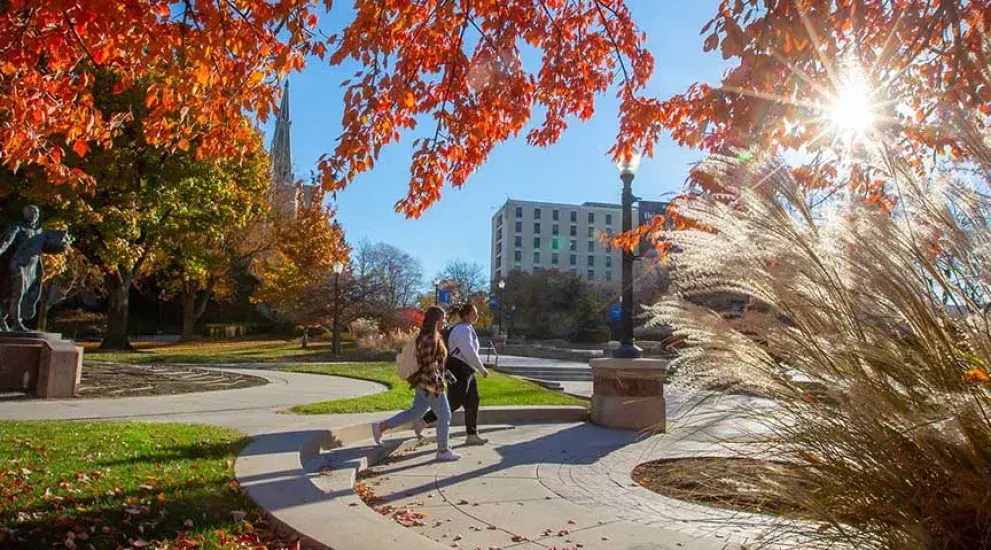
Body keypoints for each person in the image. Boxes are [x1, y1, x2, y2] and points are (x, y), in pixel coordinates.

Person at [372, 307, 461, 462]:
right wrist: (437, 387)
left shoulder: (433, 337)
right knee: (445, 415)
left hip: (424, 384)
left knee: (415, 412)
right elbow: (429, 367)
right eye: (443, 318)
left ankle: (381, 427)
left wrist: (449, 377)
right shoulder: (429, 339)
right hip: (429, 385)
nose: (445, 321)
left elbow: (438, 364)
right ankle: (443, 450)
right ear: (436, 320)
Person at [416, 302, 490, 446]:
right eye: (474, 313)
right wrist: (482, 368)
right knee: (454, 402)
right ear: (466, 315)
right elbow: (469, 352)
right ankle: (423, 421)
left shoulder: (466, 328)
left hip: (468, 370)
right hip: (460, 369)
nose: (476, 316)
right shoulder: (462, 329)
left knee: (473, 401)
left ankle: (472, 434)